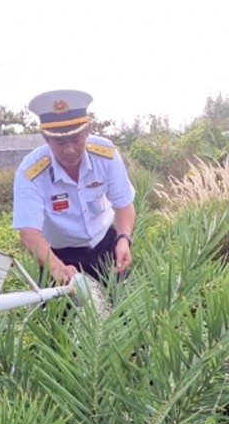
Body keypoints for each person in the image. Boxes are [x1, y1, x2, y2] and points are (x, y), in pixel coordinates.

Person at [12, 89, 136, 283]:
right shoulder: (31, 172)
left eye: (76, 140)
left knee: (121, 310)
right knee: (63, 313)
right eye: (59, 142)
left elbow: (124, 204)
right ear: (45, 138)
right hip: (58, 255)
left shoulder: (106, 156)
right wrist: (56, 267)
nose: (69, 150)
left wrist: (124, 238)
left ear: (88, 130)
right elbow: (29, 233)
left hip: (105, 246)